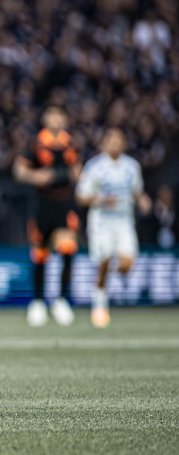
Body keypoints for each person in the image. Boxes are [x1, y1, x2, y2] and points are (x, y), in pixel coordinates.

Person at [13, 106, 82, 327]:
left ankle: (61, 300)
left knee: (67, 249)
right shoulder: (36, 142)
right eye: (50, 114)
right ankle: (38, 302)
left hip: (64, 203)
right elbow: (19, 170)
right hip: (43, 203)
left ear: (64, 118)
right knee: (41, 253)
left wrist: (71, 176)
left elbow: (78, 170)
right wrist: (37, 176)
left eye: (59, 115)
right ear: (45, 118)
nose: (55, 119)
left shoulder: (71, 143)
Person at [75, 128, 151, 328]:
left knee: (127, 264)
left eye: (120, 141)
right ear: (104, 144)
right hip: (102, 222)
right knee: (104, 261)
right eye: (112, 141)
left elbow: (136, 190)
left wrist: (142, 200)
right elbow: (81, 196)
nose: (116, 144)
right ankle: (99, 304)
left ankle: (106, 280)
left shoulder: (132, 166)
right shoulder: (95, 167)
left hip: (124, 221)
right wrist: (101, 199)